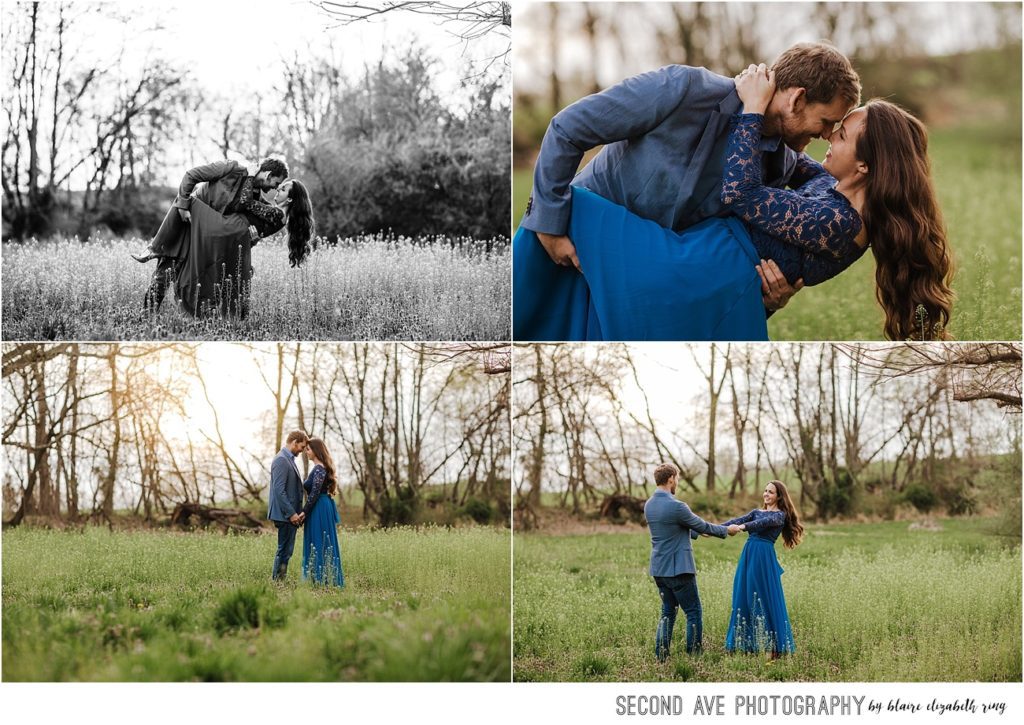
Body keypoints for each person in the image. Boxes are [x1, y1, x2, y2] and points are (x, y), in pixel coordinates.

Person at [514, 42, 861, 340]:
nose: (829, 134)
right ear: (798, 98)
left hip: (639, 292)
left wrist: (769, 294)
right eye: (827, 121)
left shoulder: (780, 163)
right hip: (571, 247)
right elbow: (567, 128)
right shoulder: (681, 88)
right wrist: (549, 225)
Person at [134, 157, 289, 310]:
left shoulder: (255, 197)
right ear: (268, 175)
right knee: (165, 273)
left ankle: (202, 322)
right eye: (276, 183)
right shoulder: (231, 168)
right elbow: (191, 175)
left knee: (205, 283)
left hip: (209, 242)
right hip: (189, 224)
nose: (274, 189)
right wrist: (183, 205)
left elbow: (240, 229)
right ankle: (147, 316)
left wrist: (253, 239)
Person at [171, 176, 315, 317]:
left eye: (283, 189)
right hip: (235, 240)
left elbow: (247, 201)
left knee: (190, 204)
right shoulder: (276, 214)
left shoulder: (276, 214)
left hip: (231, 232)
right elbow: (259, 210)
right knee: (214, 277)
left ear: (289, 199)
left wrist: (251, 176)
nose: (278, 188)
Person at [644, 463, 740, 661]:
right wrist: (726, 530)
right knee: (693, 612)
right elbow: (702, 524)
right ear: (671, 478)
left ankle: (660, 656)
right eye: (677, 478)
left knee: (667, 612)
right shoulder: (677, 506)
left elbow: (671, 527)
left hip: (659, 570)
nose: (677, 482)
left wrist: (696, 532)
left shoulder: (649, 504)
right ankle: (694, 656)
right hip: (679, 569)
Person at [721, 480, 804, 657]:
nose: (766, 494)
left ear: (779, 496)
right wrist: (710, 529)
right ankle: (742, 644)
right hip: (749, 555)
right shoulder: (756, 512)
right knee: (743, 593)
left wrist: (742, 528)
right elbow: (735, 521)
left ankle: (773, 647)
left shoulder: (779, 515)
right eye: (765, 491)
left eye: (771, 492)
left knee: (762, 597)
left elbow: (761, 524)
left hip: (763, 557)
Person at [300, 437, 344, 588]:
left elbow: (315, 493)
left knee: (319, 540)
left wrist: (304, 512)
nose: (306, 452)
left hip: (319, 507)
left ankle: (321, 580)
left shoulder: (319, 469)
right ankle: (319, 579)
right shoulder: (319, 468)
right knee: (318, 540)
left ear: (316, 451)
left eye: (308, 449)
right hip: (320, 505)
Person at [267, 430, 309, 582]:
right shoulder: (281, 460)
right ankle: (277, 582)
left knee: (287, 550)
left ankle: (279, 580)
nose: (302, 450)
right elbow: (279, 490)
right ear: (294, 442)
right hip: (284, 514)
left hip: (289, 514)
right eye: (302, 446)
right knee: (284, 550)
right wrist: (291, 513)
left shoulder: (289, 459)